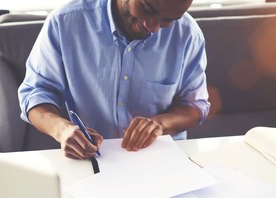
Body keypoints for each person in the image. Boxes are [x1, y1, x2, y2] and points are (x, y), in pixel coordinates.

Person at [18, 0, 210, 159]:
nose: (152, 28)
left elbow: (195, 106)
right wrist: (62, 129)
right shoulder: (64, 22)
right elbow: (35, 94)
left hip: (163, 159)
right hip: (90, 158)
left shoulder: (188, 34)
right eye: (148, 9)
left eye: (167, 20)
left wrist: (160, 124)